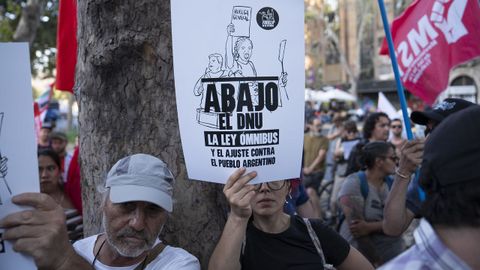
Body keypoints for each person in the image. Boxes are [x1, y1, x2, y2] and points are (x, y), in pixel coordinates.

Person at [1, 153, 200, 270]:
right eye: (127, 205)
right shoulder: (79, 250)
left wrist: (65, 261)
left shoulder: (178, 264)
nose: (138, 223)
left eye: (153, 210)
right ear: (102, 203)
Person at [208, 168, 374, 270]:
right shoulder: (237, 240)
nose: (264, 188)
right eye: (255, 182)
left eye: (274, 180)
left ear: (288, 187)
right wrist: (237, 217)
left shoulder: (315, 231)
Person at [380, 105, 480, 270]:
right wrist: (404, 171)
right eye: (427, 130)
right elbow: (392, 226)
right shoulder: (431, 178)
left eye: (437, 130)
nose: (427, 138)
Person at [338, 142, 406, 266]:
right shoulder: (354, 183)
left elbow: (402, 221)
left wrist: (369, 227)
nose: (396, 162)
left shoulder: (393, 184)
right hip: (360, 260)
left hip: (392, 258)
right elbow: (358, 231)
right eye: (393, 158)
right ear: (379, 161)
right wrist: (376, 262)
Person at [344, 112, 390, 176]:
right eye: (382, 125)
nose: (387, 129)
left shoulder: (390, 148)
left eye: (388, 125)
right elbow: (350, 174)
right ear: (371, 128)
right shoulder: (360, 149)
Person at [303, 117, 329, 193]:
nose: (320, 128)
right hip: (304, 171)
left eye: (320, 125)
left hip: (317, 171)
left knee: (312, 192)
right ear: (310, 126)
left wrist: (310, 168)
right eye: (317, 125)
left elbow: (321, 155)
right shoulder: (304, 137)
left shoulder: (324, 139)